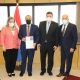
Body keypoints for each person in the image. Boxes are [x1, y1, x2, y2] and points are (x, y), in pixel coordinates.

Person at [38, 12, 59, 76]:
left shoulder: (55, 24)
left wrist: (56, 45)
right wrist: (38, 43)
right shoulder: (41, 23)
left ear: (52, 17)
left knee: (50, 59)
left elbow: (57, 36)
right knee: (42, 58)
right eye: (48, 16)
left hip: (51, 45)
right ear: (46, 16)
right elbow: (39, 34)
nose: (49, 17)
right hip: (42, 45)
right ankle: (43, 70)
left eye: (50, 16)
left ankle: (49, 70)